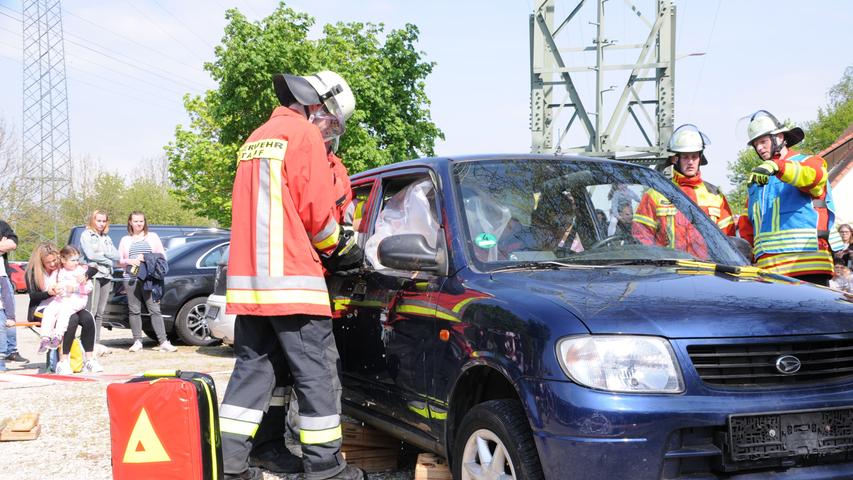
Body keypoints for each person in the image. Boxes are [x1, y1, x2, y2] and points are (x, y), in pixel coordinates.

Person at [220, 70, 362, 480]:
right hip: (294, 281)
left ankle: (232, 466)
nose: (330, 131)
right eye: (331, 121)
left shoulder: (256, 138)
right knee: (317, 375)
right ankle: (326, 469)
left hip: (253, 285)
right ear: (317, 105)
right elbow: (318, 217)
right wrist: (343, 249)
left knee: (253, 373)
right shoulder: (302, 136)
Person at [740, 110, 837, 286]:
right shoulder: (758, 178)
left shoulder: (807, 162)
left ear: (779, 138)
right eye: (756, 144)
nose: (759, 148)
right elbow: (748, 225)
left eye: (763, 141)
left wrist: (778, 167)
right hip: (769, 275)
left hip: (808, 268)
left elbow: (814, 176)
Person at [633, 124, 734, 258]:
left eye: (694, 157)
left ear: (700, 158)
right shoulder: (657, 194)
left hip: (708, 273)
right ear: (676, 159)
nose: (690, 162)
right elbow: (641, 235)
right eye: (686, 157)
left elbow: (728, 240)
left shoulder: (715, 196)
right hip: (670, 274)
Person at [25, 243, 102, 374]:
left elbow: (92, 269)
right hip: (44, 306)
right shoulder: (33, 272)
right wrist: (49, 293)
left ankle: (90, 359)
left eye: (55, 260)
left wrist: (86, 275)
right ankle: (63, 361)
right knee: (72, 318)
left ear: (60, 258)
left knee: (88, 318)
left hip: (66, 301)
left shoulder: (64, 267)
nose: (53, 264)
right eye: (49, 262)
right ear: (41, 262)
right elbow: (33, 295)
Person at [118, 211, 177, 353]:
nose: (139, 224)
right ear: (130, 222)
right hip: (130, 278)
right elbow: (118, 261)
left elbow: (162, 257)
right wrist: (129, 261)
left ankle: (163, 341)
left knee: (154, 309)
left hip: (149, 279)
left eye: (141, 221)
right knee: (134, 310)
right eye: (136, 221)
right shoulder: (125, 240)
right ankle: (137, 341)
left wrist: (147, 258)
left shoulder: (153, 237)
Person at [37, 245, 93, 353]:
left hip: (77, 299)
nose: (76, 262)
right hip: (61, 299)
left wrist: (76, 288)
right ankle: (45, 337)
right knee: (49, 310)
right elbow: (51, 285)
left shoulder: (82, 272)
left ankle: (58, 335)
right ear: (63, 260)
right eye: (73, 260)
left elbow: (89, 288)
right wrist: (54, 288)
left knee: (64, 312)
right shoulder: (58, 272)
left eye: (77, 259)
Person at [79, 210, 120, 354]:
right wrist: (108, 259)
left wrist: (102, 254)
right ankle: (86, 344)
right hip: (94, 274)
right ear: (93, 220)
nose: (101, 224)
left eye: (104, 221)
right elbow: (90, 255)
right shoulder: (86, 235)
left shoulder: (106, 237)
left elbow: (117, 254)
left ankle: (96, 343)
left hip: (107, 275)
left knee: (101, 312)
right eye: (99, 221)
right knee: (91, 311)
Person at [0, 219, 28, 365]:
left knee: (9, 313)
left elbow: (13, 243)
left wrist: (7, 244)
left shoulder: (2, 225)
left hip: (3, 277)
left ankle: (12, 350)